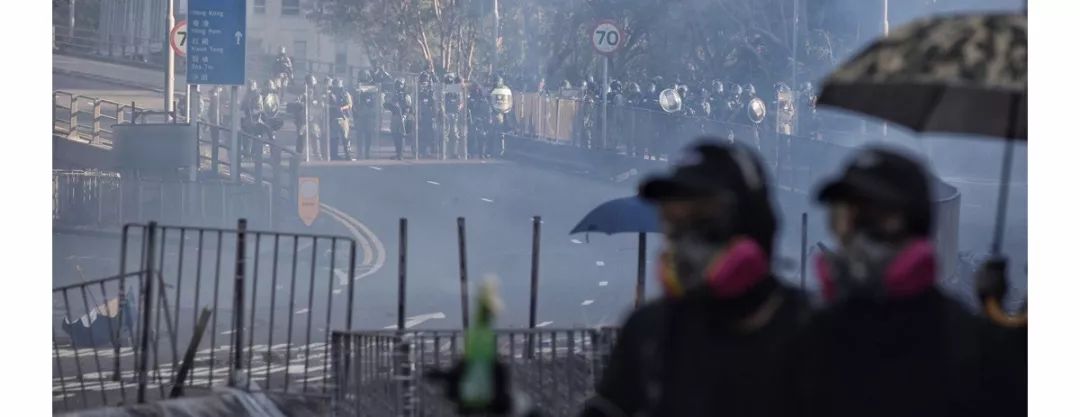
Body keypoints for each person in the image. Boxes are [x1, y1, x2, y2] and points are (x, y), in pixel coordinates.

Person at [580, 141, 810, 417]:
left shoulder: (817, 334)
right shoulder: (650, 332)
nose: (684, 238)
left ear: (753, 225)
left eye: (702, 217)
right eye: (673, 220)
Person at [794, 147, 1005, 417]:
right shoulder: (804, 339)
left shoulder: (969, 350)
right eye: (845, 217)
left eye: (878, 218)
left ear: (917, 228)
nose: (858, 235)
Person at [353, 70, 382, 159]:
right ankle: (359, 152)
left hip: (369, 113)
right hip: (360, 113)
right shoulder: (358, 85)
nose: (364, 77)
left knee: (368, 134)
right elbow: (355, 99)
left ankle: (367, 152)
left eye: (365, 75)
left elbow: (376, 95)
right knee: (359, 134)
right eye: (362, 75)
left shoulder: (372, 85)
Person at [384, 78, 413, 159]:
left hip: (402, 116)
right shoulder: (394, 94)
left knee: (401, 135)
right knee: (395, 134)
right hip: (395, 116)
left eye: (401, 84)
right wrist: (390, 104)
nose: (399, 86)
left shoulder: (406, 95)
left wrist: (404, 115)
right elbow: (388, 105)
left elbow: (408, 107)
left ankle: (401, 154)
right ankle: (397, 153)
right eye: (398, 84)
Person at [328, 79, 353, 160]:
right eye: (335, 84)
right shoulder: (329, 94)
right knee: (333, 137)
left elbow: (350, 105)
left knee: (345, 137)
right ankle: (334, 155)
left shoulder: (345, 93)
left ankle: (348, 155)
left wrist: (342, 108)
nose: (337, 87)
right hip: (333, 118)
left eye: (338, 84)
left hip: (343, 118)